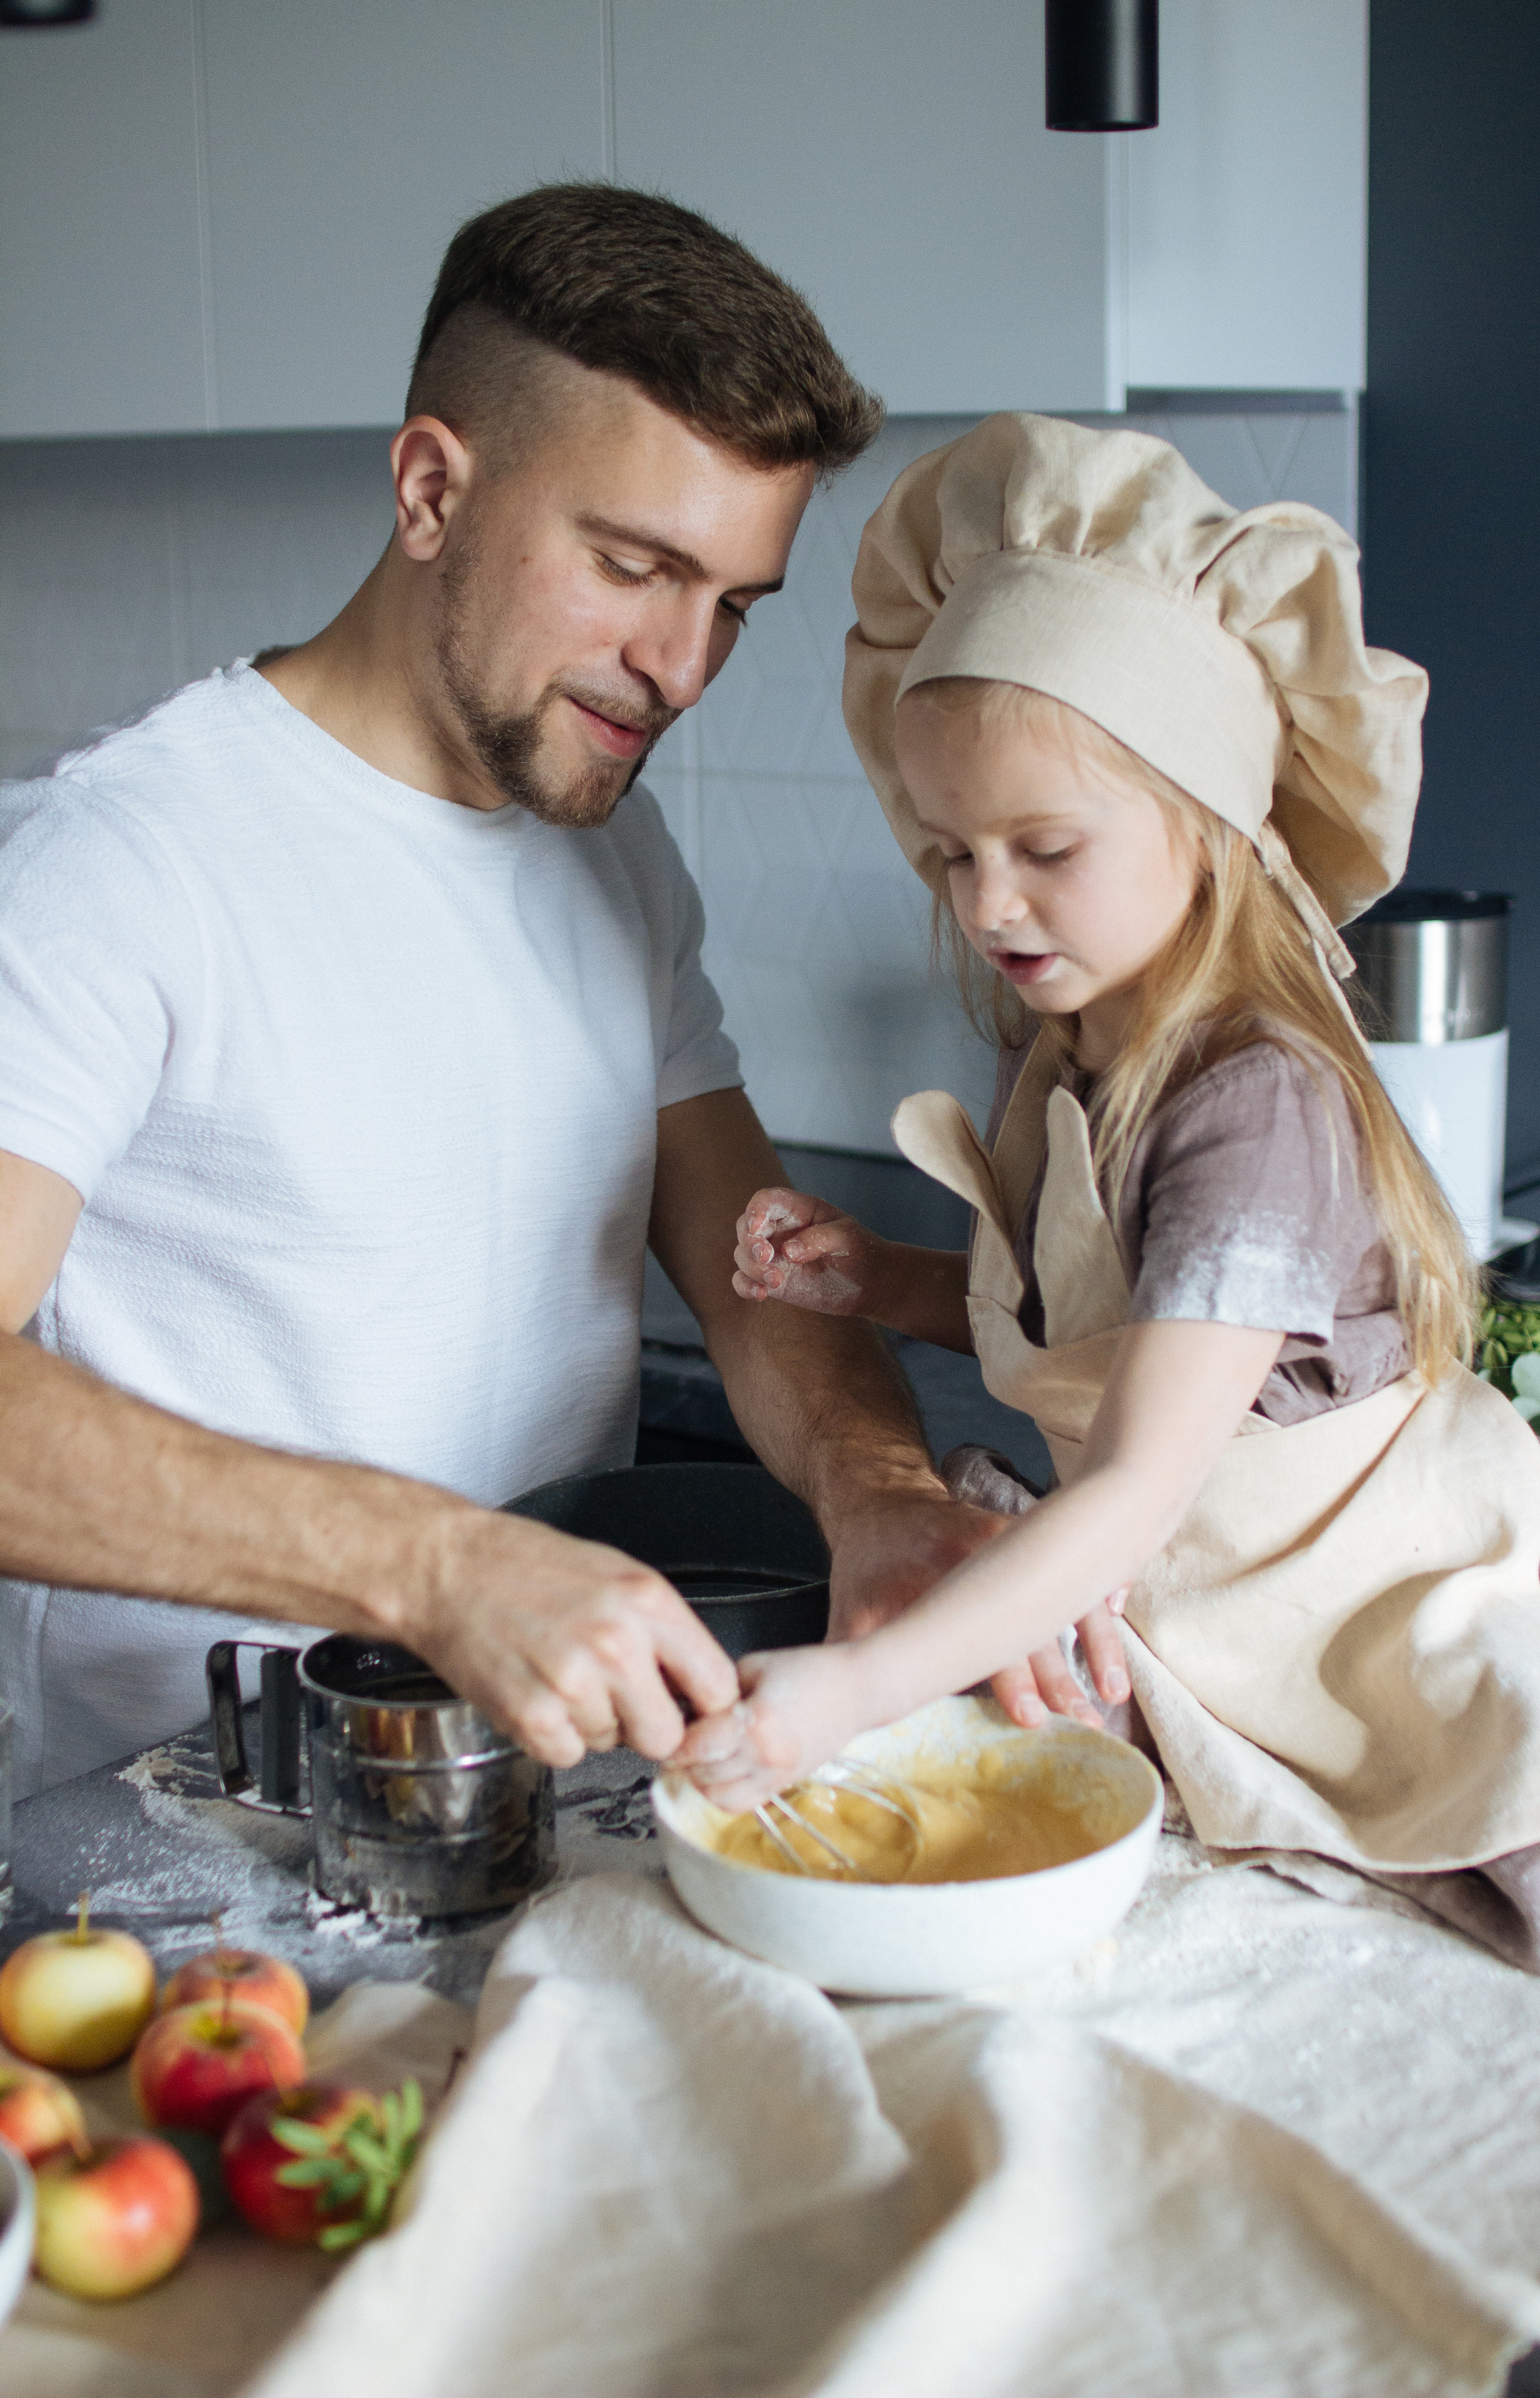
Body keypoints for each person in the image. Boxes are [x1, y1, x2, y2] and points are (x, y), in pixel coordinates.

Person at [0, 185, 1008, 1800]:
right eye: (633, 566)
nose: (680, 665)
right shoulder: (124, 859)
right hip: (182, 1858)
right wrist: (438, 1566)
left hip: (533, 1816)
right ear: (428, 491)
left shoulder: (614, 859)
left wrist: (877, 1487)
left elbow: (757, 1266)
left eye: (733, 604)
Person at [681, 412, 1540, 1985]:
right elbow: (1078, 1327)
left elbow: (1133, 1483)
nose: (985, 904)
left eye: (1042, 846)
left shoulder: (1254, 1106)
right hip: (1213, 1596)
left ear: (1205, 825)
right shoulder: (1081, 1055)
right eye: (948, 854)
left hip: (1383, 1604)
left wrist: (851, 1692)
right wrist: (878, 1278)